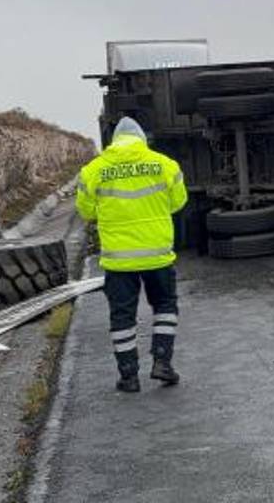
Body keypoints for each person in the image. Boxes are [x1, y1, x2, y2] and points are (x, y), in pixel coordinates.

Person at [76, 117, 188, 392]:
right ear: (142, 139)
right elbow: (178, 202)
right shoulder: (164, 164)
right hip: (157, 256)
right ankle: (162, 362)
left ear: (114, 141)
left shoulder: (93, 170)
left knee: (122, 317)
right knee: (165, 306)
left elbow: (86, 211)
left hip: (119, 261)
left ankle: (129, 376)